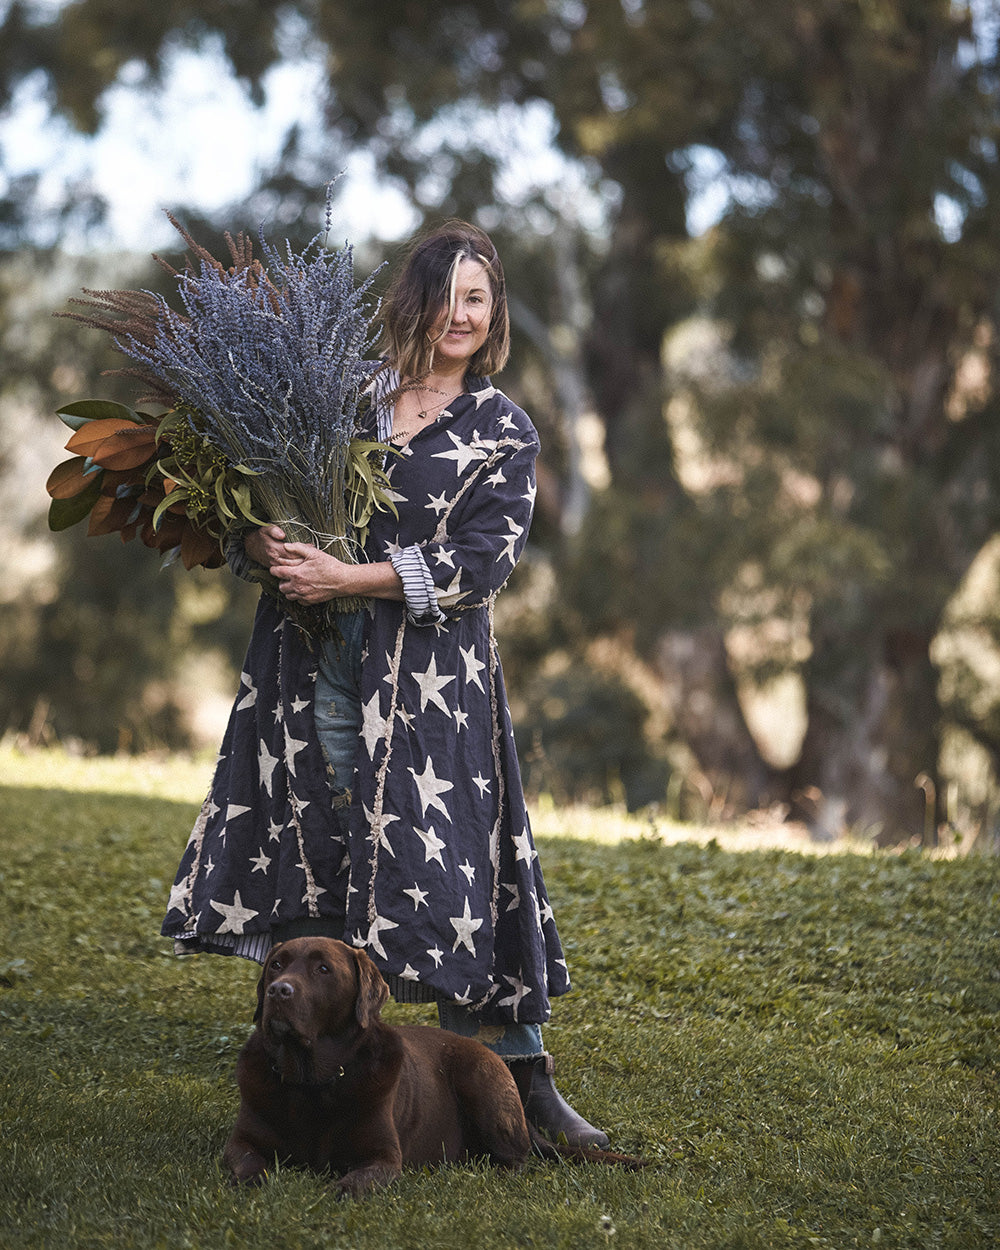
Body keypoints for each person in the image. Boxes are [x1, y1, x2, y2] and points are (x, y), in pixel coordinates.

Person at [161, 221, 608, 1148]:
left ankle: (520, 1072)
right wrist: (261, 540)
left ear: (496, 313)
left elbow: (482, 565)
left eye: (477, 298)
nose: (460, 314)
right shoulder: (343, 397)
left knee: (448, 863)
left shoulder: (502, 430)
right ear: (413, 302)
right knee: (328, 845)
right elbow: (253, 509)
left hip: (428, 684)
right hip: (313, 665)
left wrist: (351, 578)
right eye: (445, 296)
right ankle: (315, 1065)